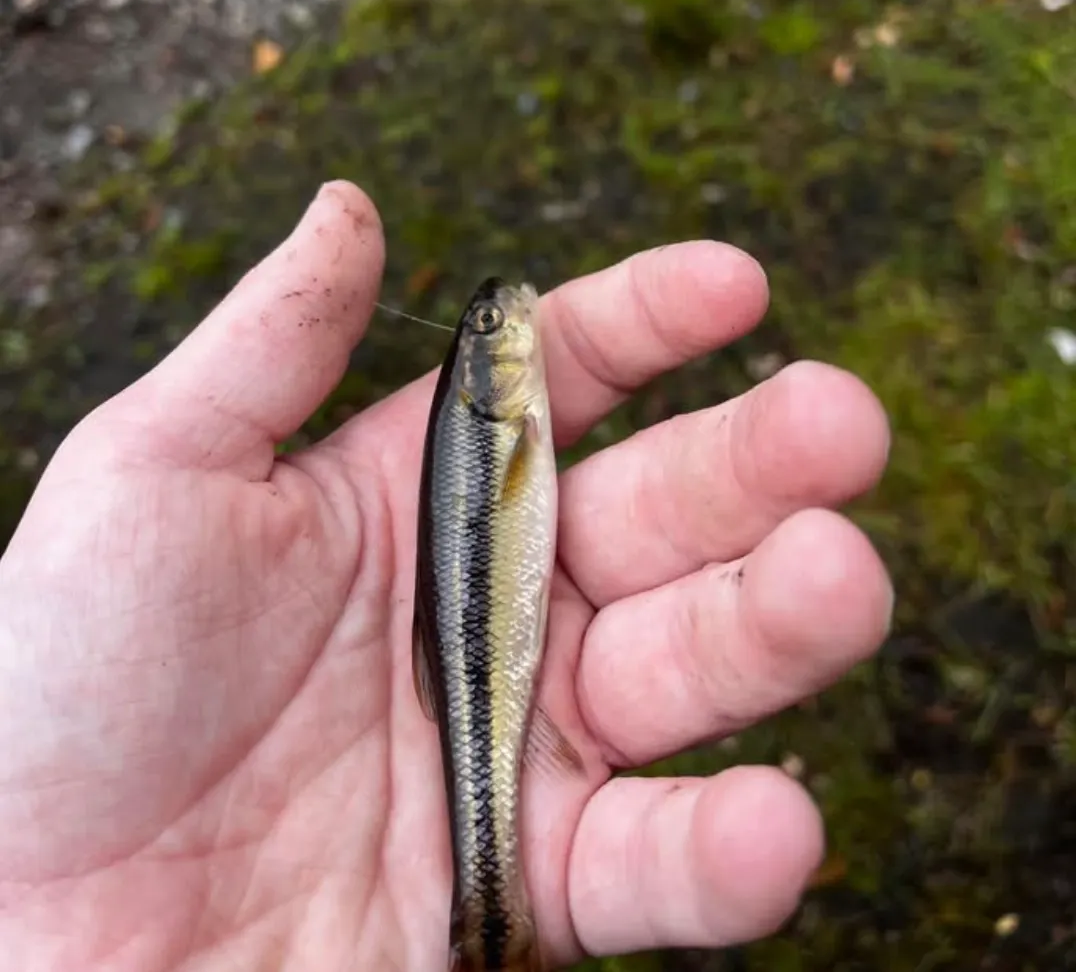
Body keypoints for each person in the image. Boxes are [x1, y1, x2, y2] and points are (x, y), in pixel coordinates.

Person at [0, 181, 893, 970]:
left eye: (487, 325)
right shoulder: (495, 422)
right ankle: (491, 910)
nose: (504, 318)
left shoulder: (499, 421)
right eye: (492, 329)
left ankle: (487, 914)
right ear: (484, 373)